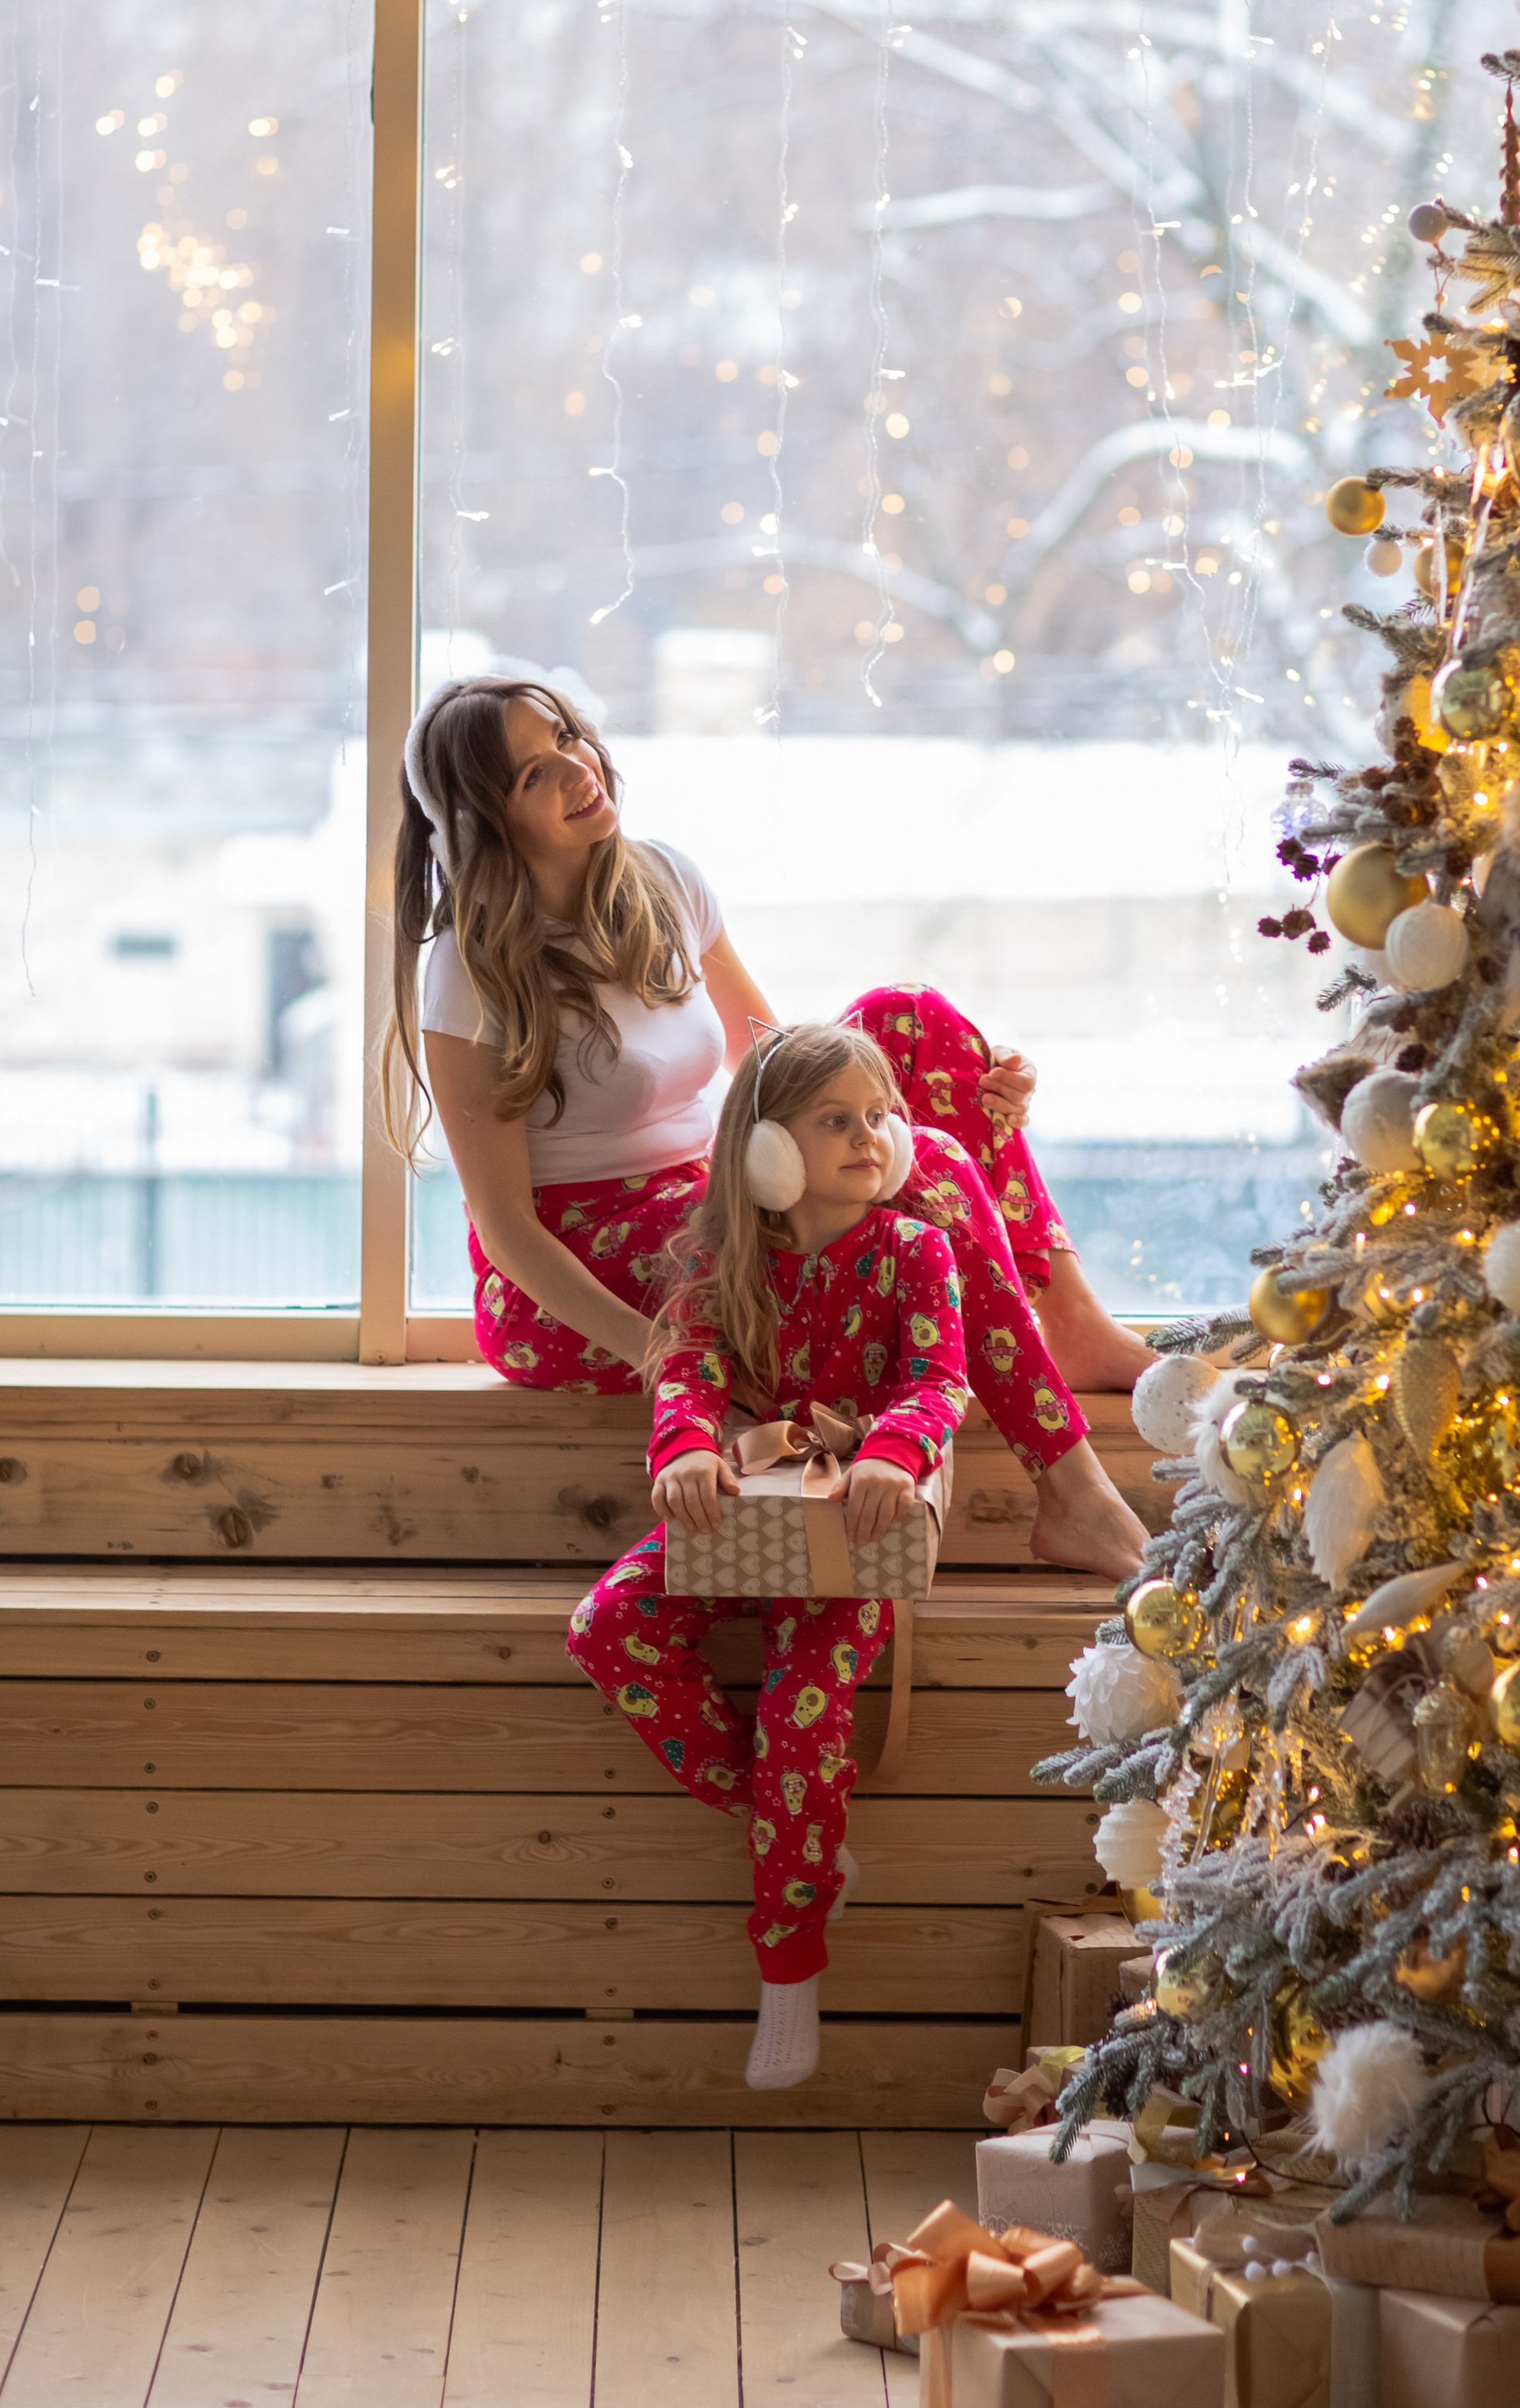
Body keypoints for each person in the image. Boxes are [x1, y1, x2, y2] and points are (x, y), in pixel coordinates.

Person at [380, 673, 1148, 1579]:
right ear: (485, 819)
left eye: (566, 740)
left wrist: (929, 1104)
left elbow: (774, 1068)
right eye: (532, 777)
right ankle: (1074, 1494)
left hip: (704, 1193)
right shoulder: (471, 974)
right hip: (580, 1262)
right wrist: (667, 1355)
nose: (577, 771)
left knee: (912, 1019)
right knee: (925, 1159)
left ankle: (1072, 1325)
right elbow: (508, 1230)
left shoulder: (662, 878)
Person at [570, 1021, 965, 2090]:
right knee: (608, 1624)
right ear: (765, 1146)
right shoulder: (713, 1256)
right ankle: (788, 1823)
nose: (867, 1138)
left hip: (858, 1535)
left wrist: (891, 1450)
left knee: (804, 1714)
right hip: (739, 1514)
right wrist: (686, 1448)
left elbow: (938, 1380)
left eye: (880, 1116)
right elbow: (687, 1370)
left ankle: (788, 1969)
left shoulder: (917, 1251)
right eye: (834, 1120)